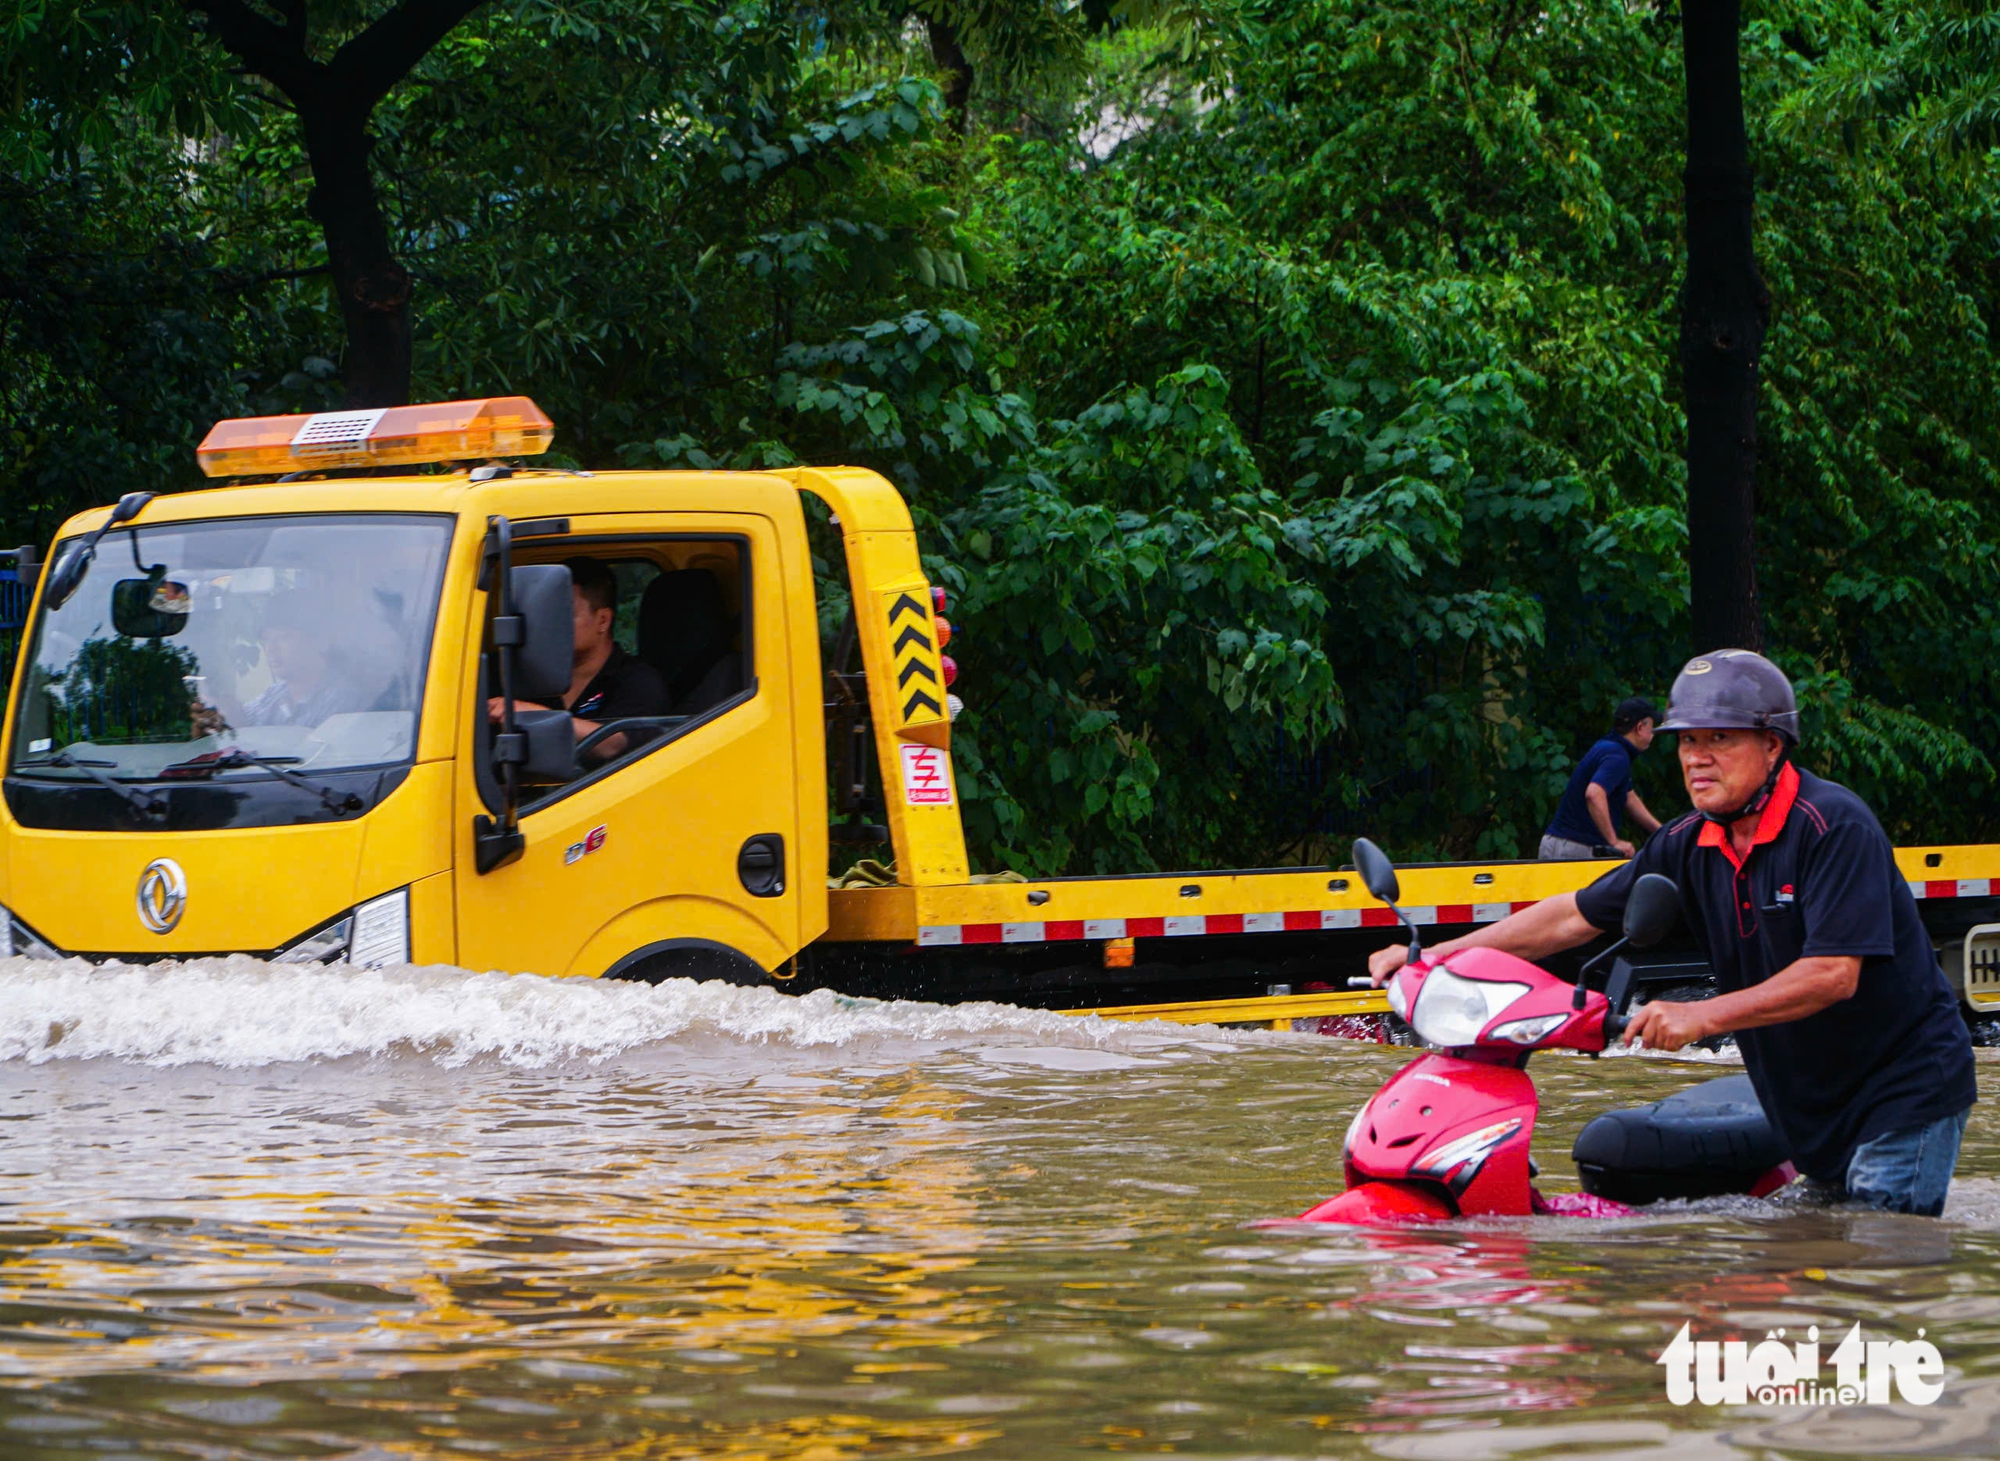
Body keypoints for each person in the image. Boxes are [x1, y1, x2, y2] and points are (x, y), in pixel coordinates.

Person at [1371, 649, 1976, 1217]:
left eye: (1720, 738)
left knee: (1876, 1269)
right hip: (1807, 1101)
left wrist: (1702, 1016)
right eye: (1687, 740)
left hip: (1900, 1091)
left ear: (1772, 746)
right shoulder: (1687, 843)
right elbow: (1571, 915)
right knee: (1813, 1275)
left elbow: (1832, 974)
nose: (1696, 757)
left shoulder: (1832, 827)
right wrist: (1431, 955)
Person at [487, 557, 668, 762]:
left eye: (563, 614)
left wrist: (537, 717)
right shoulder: (508, 673)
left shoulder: (637, 680)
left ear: (603, 620)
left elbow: (614, 745)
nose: (549, 624)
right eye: (544, 614)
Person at [1540, 696, 1663, 860]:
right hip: (1574, 849)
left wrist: (1662, 831)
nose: (1653, 735)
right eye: (1652, 729)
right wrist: (1614, 841)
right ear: (1640, 728)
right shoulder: (1617, 756)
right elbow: (1594, 793)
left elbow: (1629, 798)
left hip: (1561, 844)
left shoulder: (1608, 747)